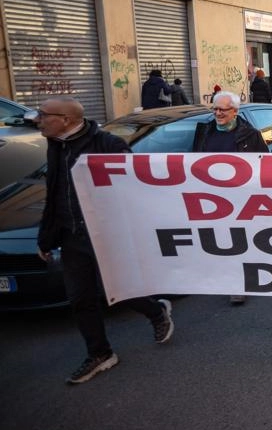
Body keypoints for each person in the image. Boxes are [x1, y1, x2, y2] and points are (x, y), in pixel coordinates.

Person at [35, 97, 174, 384]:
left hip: (104, 235)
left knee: (119, 288)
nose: (38, 119)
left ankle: (156, 311)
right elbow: (54, 194)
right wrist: (46, 238)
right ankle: (100, 353)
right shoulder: (56, 146)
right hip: (71, 237)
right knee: (80, 298)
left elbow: (133, 185)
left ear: (66, 119)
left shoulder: (107, 145)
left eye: (43, 115)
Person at [192, 90, 269, 305]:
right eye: (214, 109)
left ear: (234, 112)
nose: (217, 113)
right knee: (220, 240)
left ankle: (238, 284)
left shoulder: (250, 135)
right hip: (211, 195)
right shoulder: (204, 131)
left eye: (223, 110)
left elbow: (264, 164)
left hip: (240, 197)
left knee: (237, 240)